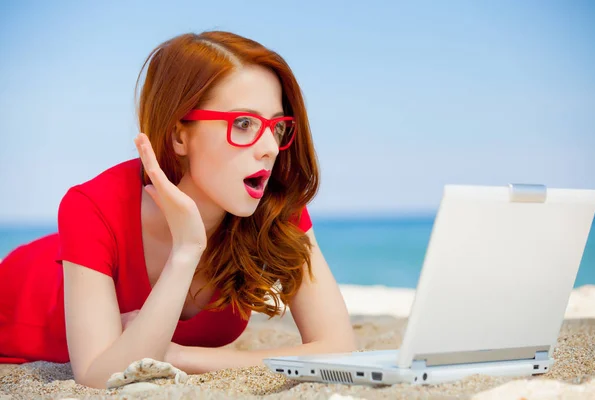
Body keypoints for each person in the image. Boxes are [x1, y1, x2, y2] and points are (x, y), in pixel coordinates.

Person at [0, 31, 356, 388]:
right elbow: (96, 376)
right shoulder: (92, 206)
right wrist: (186, 250)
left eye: (277, 127)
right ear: (178, 136)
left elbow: (339, 349)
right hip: (18, 296)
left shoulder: (274, 203)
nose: (269, 148)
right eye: (244, 124)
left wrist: (179, 355)